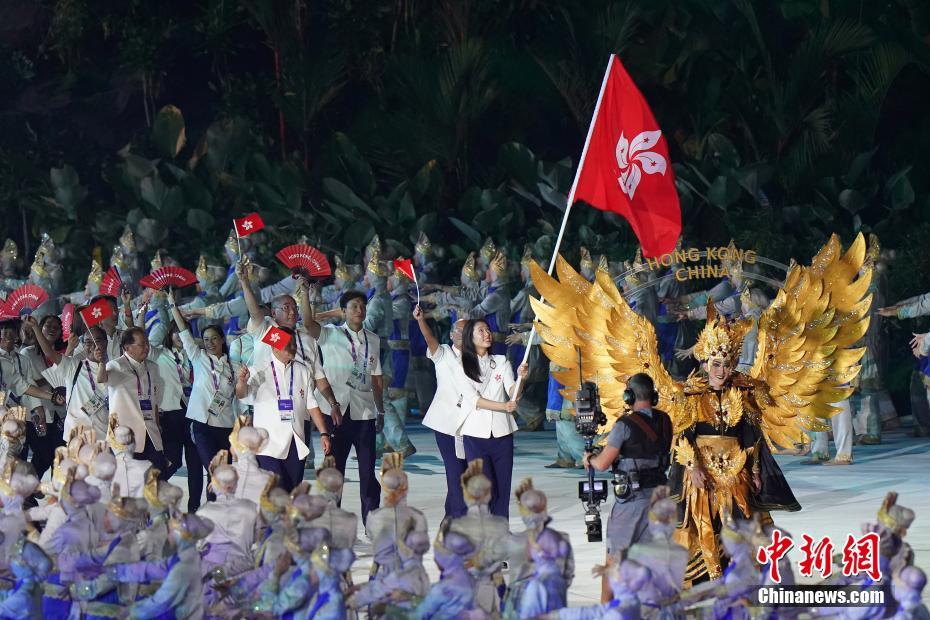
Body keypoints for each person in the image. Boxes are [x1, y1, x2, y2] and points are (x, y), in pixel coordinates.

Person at [583, 373, 673, 601]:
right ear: (653, 396)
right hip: (660, 499)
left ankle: (608, 610)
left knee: (614, 558)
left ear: (629, 396)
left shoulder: (625, 425)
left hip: (633, 501)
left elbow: (602, 463)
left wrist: (589, 458)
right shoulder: (665, 420)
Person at [304, 290, 385, 523]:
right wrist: (306, 293)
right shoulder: (330, 334)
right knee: (333, 470)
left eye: (362, 306)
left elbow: (377, 378)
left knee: (368, 471)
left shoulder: (374, 339)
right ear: (343, 311)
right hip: (335, 412)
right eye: (353, 306)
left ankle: (371, 520)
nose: (359, 310)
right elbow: (308, 323)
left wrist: (380, 410)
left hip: (364, 411)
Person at [235, 325, 330, 492]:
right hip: (267, 444)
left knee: (291, 493)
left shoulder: (303, 370)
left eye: (294, 344)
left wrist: (323, 433)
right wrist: (242, 381)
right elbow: (242, 394)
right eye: (288, 345)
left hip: (296, 442)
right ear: (274, 346)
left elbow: (311, 404)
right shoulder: (259, 369)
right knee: (274, 493)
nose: (293, 348)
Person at [457, 318, 528, 519]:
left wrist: (522, 377)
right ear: (470, 337)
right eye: (481, 331)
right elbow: (474, 400)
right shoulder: (461, 365)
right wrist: (504, 406)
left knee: (502, 487)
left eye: (487, 329)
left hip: (502, 433)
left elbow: (513, 392)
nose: (487, 333)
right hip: (474, 434)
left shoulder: (502, 361)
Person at [168, 292, 236, 501]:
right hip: (202, 425)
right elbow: (183, 331)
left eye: (214, 338)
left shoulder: (233, 365)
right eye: (206, 339)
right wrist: (172, 303)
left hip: (225, 425)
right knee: (213, 469)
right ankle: (212, 511)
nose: (209, 343)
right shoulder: (198, 358)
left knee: (222, 473)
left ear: (222, 340)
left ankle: (217, 510)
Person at [413, 306, 472, 520]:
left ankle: (450, 515)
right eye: (460, 331)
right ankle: (459, 517)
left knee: (466, 472)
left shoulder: (478, 358)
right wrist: (421, 321)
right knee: (454, 470)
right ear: (451, 335)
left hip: (471, 423)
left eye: (468, 332)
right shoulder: (443, 353)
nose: (463, 336)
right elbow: (430, 340)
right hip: (446, 423)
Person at [96, 326, 169, 477]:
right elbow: (102, 378)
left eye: (147, 343)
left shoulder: (152, 367)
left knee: (157, 481)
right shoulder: (116, 365)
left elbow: (153, 401)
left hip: (151, 434)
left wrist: (157, 425)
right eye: (142, 344)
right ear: (127, 348)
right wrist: (102, 363)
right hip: (125, 438)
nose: (147, 347)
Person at [151, 319, 202, 510]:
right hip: (170, 414)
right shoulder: (159, 353)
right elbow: (140, 336)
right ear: (169, 335)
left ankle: (194, 507)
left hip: (192, 413)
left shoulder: (194, 355)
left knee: (195, 464)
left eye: (184, 332)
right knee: (172, 460)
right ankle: (152, 492)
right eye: (177, 333)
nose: (180, 337)